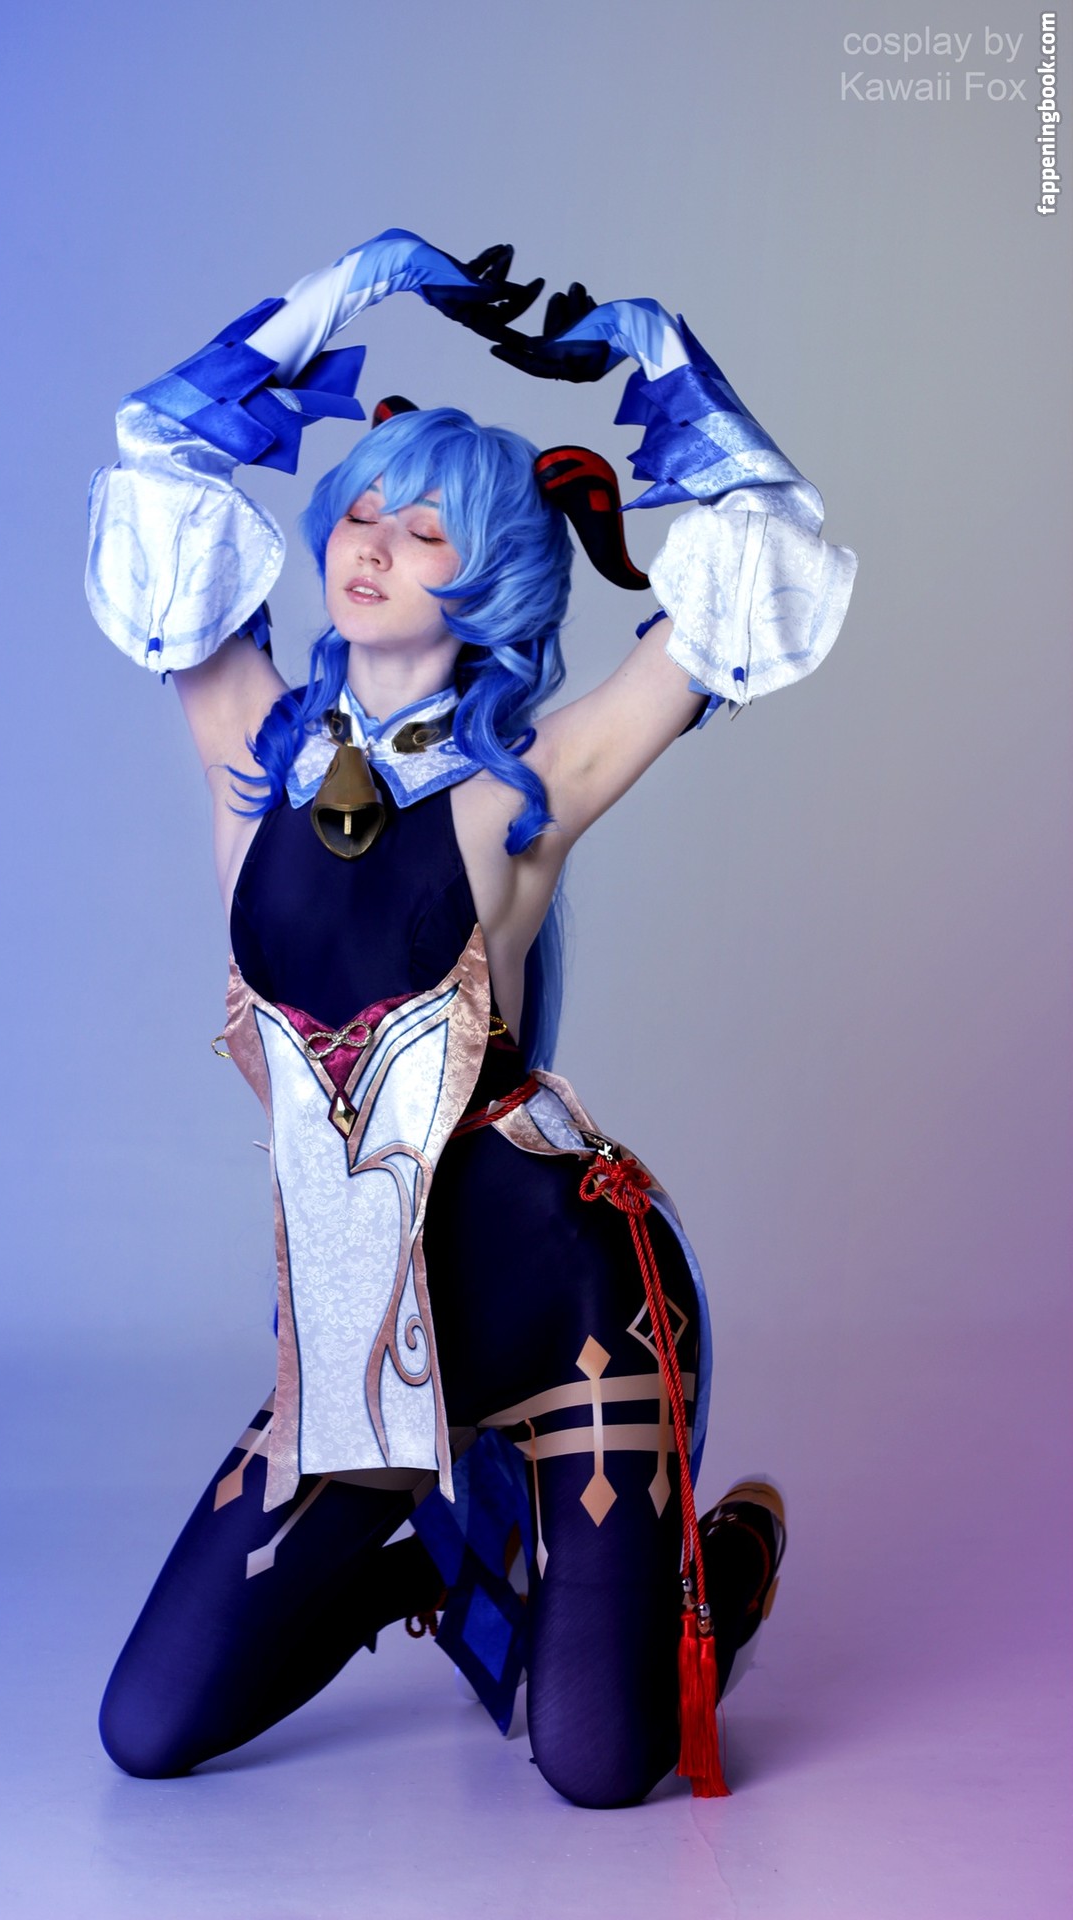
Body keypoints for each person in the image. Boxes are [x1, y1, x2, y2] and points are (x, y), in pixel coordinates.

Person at [84, 231, 855, 1808]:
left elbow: (755, 559)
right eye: (361, 512)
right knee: (146, 1730)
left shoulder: (525, 792)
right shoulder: (247, 741)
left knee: (597, 1765)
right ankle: (427, 1558)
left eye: (423, 528)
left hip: (573, 1317)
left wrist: (652, 349)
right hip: (366, 1348)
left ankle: (725, 1557)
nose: (370, 543)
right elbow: (159, 458)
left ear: (489, 577)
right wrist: (353, 283)